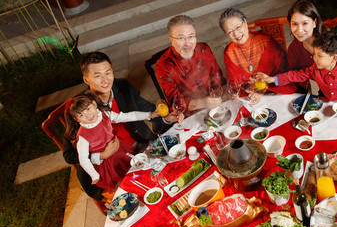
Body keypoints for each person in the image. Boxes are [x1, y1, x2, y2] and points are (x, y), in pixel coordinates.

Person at [63, 51, 182, 201]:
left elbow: (146, 109)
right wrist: (101, 155)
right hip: (109, 166)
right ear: (86, 80)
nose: (105, 80)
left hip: (139, 146)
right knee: (139, 195)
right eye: (98, 76)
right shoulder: (80, 108)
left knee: (172, 172)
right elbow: (69, 155)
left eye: (108, 72)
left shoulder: (123, 86)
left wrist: (166, 117)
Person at [64, 92, 159, 192]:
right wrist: (94, 175)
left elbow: (126, 116)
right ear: (76, 119)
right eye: (81, 115)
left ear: (94, 104)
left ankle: (149, 185)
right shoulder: (83, 136)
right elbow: (83, 159)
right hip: (108, 164)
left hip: (120, 149)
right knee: (126, 183)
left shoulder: (105, 115)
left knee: (138, 169)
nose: (88, 115)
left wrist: (149, 115)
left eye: (88, 109)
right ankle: (136, 191)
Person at [257, 32, 337, 111]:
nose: (314, 58)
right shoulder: (315, 68)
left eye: (319, 56)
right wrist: (272, 79)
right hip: (328, 105)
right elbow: (296, 75)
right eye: (314, 54)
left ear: (334, 58)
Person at [219, 8, 296, 104]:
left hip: (275, 92)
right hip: (250, 99)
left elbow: (286, 76)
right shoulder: (229, 53)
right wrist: (234, 94)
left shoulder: (265, 41)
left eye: (238, 27)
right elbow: (234, 85)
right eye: (230, 32)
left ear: (245, 22)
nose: (236, 34)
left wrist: (263, 90)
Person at [156, 15, 224, 114]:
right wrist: (204, 103)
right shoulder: (164, 65)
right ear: (171, 40)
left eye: (191, 36)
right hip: (189, 115)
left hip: (217, 104)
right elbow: (175, 103)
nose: (187, 43)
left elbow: (218, 79)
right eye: (181, 38)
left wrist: (219, 97)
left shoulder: (204, 49)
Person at [286, 0, 337, 72]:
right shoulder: (294, 49)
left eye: (305, 23)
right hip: (327, 86)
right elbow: (292, 75)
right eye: (295, 24)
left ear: (315, 23)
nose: (299, 30)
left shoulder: (329, 42)